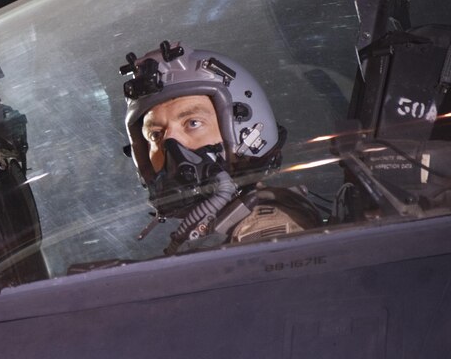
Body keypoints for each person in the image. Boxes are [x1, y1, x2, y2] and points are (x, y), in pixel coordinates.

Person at [120, 41, 322, 254]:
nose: (172, 147)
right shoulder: (215, 229)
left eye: (193, 123)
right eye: (156, 135)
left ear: (245, 131)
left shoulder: (263, 231)